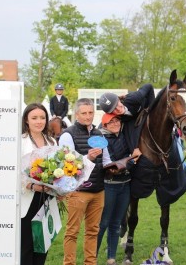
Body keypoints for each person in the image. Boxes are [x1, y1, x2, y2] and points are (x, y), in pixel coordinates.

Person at [59, 98, 111, 265]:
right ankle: (69, 263)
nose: (88, 116)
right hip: (78, 191)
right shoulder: (68, 135)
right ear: (76, 114)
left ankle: (90, 262)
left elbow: (106, 159)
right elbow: (67, 163)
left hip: (98, 190)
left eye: (90, 113)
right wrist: (88, 157)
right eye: (84, 113)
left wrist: (119, 165)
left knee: (93, 231)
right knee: (72, 232)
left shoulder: (99, 134)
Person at [21, 103, 56, 265]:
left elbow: (59, 168)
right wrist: (32, 185)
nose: (39, 121)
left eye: (42, 118)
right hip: (28, 199)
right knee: (26, 246)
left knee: (42, 245)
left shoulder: (52, 142)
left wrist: (60, 188)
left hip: (47, 198)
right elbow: (14, 172)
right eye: (34, 118)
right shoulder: (20, 142)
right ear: (26, 120)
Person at [97, 113, 133, 265]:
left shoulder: (126, 135)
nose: (114, 124)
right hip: (110, 185)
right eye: (110, 122)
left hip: (125, 184)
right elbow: (112, 166)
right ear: (104, 125)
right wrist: (130, 159)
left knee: (116, 223)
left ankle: (111, 257)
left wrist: (128, 161)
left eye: (116, 120)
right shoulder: (102, 140)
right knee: (104, 222)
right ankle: (92, 256)